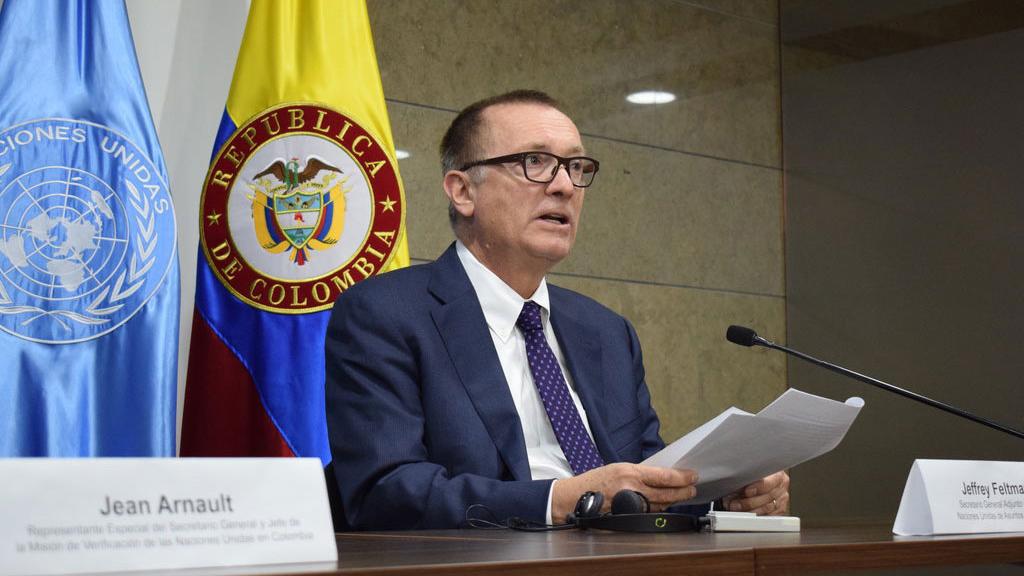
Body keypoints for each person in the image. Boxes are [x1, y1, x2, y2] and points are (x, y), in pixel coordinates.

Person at [325, 90, 789, 530]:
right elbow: (386, 491)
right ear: (463, 191)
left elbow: (643, 479)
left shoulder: (605, 331)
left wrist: (724, 498)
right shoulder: (385, 314)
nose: (566, 186)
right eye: (535, 162)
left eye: (576, 166)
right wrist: (563, 500)